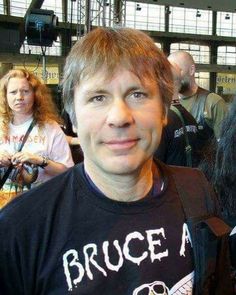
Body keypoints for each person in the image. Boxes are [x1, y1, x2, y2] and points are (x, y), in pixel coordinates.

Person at [0, 28, 233, 295]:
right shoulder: (21, 230)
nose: (119, 117)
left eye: (138, 94)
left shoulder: (197, 191)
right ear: (73, 117)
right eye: (98, 97)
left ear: (164, 110)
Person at [0, 69, 74, 208]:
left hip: (41, 205)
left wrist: (39, 160)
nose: (19, 97)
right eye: (13, 92)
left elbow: (67, 172)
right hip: (4, 208)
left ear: (35, 95)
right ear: (5, 96)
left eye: (25, 91)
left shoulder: (51, 128)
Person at [168, 51, 228, 154]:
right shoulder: (166, 104)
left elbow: (226, 148)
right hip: (175, 169)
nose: (173, 77)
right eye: (170, 73)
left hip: (203, 168)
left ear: (191, 70)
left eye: (178, 71)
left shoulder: (213, 102)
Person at [155, 63, 201, 167]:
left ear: (162, 84)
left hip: (168, 181)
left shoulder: (161, 121)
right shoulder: (190, 119)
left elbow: (154, 166)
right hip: (186, 180)